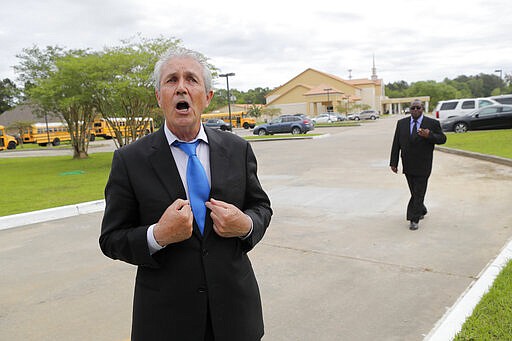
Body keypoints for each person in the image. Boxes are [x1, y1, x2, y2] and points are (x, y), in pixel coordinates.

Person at [99, 47, 272, 341]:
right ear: (159, 97)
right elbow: (111, 239)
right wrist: (158, 235)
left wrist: (246, 225)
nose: (181, 87)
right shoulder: (130, 160)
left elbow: (261, 207)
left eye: (191, 79)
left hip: (236, 315)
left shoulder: (237, 149)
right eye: (171, 80)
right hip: (166, 321)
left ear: (207, 97)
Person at [389, 99, 446, 230]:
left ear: (422, 109)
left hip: (423, 164)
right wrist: (394, 162)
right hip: (408, 164)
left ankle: (414, 218)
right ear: (409, 109)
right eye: (413, 108)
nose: (415, 110)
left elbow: (442, 139)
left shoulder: (432, 123)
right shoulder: (401, 123)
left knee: (419, 192)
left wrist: (429, 135)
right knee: (415, 191)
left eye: (418, 108)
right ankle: (421, 208)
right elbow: (396, 143)